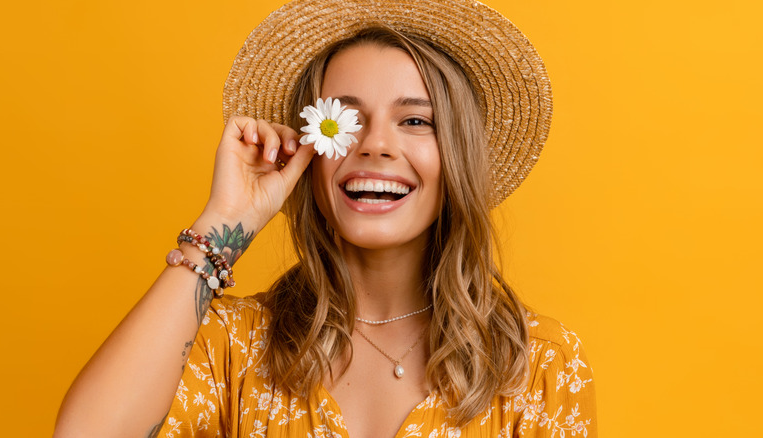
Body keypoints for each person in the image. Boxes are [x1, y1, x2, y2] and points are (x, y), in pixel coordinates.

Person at [55, 0, 596, 436]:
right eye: (345, 120)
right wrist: (225, 222)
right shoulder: (229, 346)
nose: (375, 145)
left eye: (415, 119)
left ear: (456, 155)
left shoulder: (540, 365)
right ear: (309, 149)